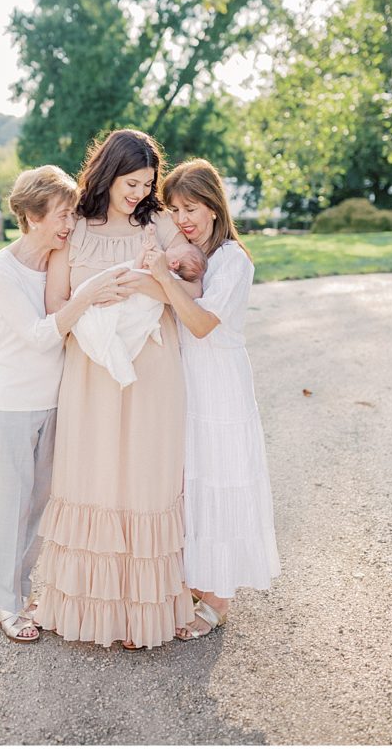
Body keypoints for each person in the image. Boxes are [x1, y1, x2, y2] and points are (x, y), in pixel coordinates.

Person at [33, 130, 199, 649]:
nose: (138, 193)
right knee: (94, 476)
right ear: (108, 173)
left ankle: (145, 611)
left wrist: (151, 285)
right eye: (132, 182)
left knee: (146, 477)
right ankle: (84, 606)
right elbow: (54, 304)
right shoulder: (74, 229)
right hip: (91, 373)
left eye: (147, 184)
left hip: (152, 369)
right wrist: (92, 294)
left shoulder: (161, 224)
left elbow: (193, 287)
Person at [0, 165, 134, 644]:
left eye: (72, 214)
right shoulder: (1, 271)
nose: (70, 224)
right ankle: (3, 603)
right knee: (14, 504)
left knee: (40, 505)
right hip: (11, 403)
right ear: (31, 215)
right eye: (62, 215)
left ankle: (21, 593)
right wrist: (85, 297)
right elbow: (38, 336)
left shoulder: (54, 262)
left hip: (54, 403)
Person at [144, 158, 280, 639]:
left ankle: (218, 600)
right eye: (176, 208)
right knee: (191, 484)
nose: (183, 218)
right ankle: (197, 581)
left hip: (220, 386)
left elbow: (201, 324)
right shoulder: (191, 257)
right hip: (187, 386)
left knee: (219, 480)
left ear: (214, 206)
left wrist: (162, 278)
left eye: (192, 207)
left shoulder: (231, 260)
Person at [71, 226, 207, 388]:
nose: (171, 247)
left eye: (175, 249)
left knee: (107, 321)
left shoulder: (163, 273)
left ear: (174, 263)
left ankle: (119, 358)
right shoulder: (164, 269)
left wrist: (142, 277)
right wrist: (149, 239)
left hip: (134, 306)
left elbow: (137, 270)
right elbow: (142, 264)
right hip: (131, 302)